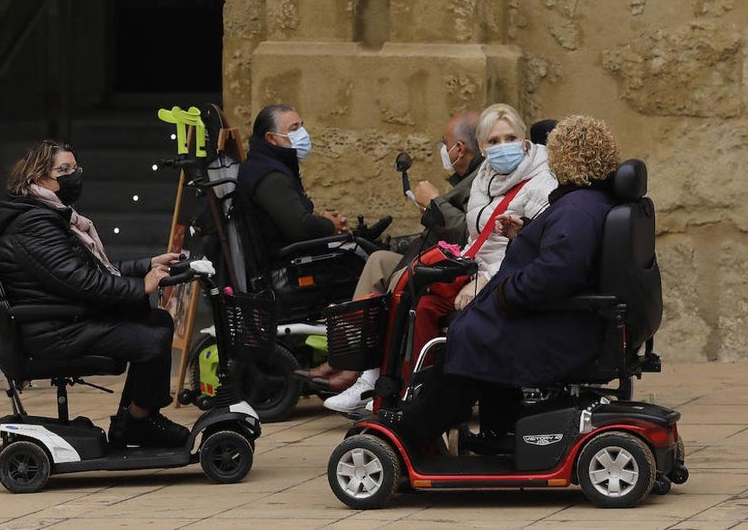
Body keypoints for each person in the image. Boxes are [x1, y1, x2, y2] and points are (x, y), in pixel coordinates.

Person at [405, 115, 624, 445]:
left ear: (564, 158)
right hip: (567, 321)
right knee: (476, 336)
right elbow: (564, 253)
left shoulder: (577, 208)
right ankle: (499, 431)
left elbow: (555, 273)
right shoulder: (586, 202)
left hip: (560, 328)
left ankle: (412, 435)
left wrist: (506, 292)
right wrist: (526, 235)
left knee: (469, 344)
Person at [0, 140, 189, 449]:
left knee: (156, 321)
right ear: (38, 177)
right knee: (152, 337)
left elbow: (89, 271)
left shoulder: (45, 213)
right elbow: (80, 282)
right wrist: (140, 285)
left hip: (60, 318)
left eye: (75, 169)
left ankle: (134, 420)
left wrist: (147, 265)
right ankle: (139, 423)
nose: (73, 176)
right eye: (63, 170)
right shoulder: (33, 223)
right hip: (53, 329)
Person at [314, 110, 484, 407]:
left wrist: (435, 203)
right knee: (378, 260)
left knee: (400, 278)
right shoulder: (465, 179)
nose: (443, 150)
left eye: (445, 143)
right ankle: (352, 358)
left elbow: (468, 233)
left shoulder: (482, 180)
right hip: (436, 254)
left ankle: (372, 374)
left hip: (459, 266)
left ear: (459, 148)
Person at [236, 104, 347, 259]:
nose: (302, 133)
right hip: (285, 267)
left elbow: (288, 214)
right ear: (271, 138)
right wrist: (330, 225)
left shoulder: (266, 164)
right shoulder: (269, 176)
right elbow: (300, 227)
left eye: (302, 126)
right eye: (294, 128)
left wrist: (320, 218)